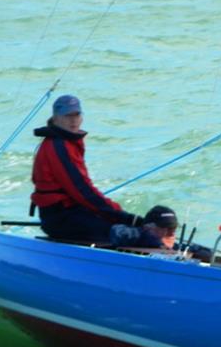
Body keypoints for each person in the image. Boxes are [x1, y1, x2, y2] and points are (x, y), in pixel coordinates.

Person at [31, 94, 149, 246]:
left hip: (72, 212)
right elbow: (82, 191)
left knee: (124, 227)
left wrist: (120, 216)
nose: (73, 120)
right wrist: (125, 217)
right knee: (124, 233)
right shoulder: (59, 146)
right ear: (56, 119)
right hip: (61, 218)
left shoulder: (66, 142)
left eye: (77, 114)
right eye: (68, 116)